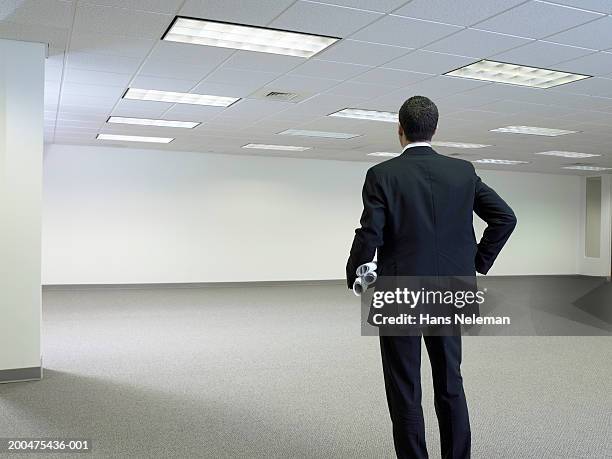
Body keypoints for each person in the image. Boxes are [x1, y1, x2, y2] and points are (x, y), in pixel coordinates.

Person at [346, 96, 517, 459]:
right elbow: (505, 217)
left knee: (404, 387)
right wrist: (475, 262)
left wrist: (354, 272)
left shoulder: (383, 174)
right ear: (435, 129)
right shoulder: (463, 172)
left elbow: (369, 235)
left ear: (399, 129)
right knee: (450, 382)